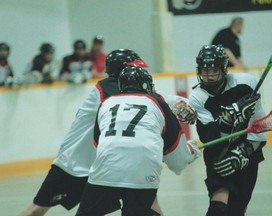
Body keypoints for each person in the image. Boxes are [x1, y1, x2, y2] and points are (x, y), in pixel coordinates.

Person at [19, 49, 197, 216]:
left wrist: (179, 103)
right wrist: (177, 104)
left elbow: (154, 97)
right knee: (37, 210)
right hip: (75, 164)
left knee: (150, 202)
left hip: (102, 163)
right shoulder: (108, 89)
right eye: (137, 68)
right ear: (123, 71)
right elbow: (153, 99)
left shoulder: (117, 90)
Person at [76, 66, 201, 216]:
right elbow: (177, 161)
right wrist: (190, 151)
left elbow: (97, 142)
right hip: (142, 174)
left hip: (104, 170)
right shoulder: (158, 103)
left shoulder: (106, 102)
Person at [189, 44, 267, 216]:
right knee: (218, 204)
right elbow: (211, 138)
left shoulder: (246, 83)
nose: (208, 76)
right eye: (204, 70)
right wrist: (231, 116)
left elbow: (259, 128)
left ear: (224, 69)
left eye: (214, 70)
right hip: (219, 155)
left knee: (237, 210)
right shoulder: (197, 97)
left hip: (247, 151)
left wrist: (244, 152)